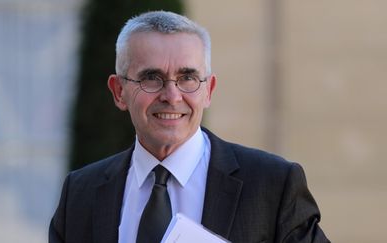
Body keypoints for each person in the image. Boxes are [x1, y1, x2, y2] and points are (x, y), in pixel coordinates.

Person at [49, 11, 330, 243]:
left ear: (209, 90)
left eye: (187, 78)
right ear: (119, 91)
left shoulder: (272, 186)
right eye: (151, 77)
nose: (171, 96)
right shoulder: (81, 193)